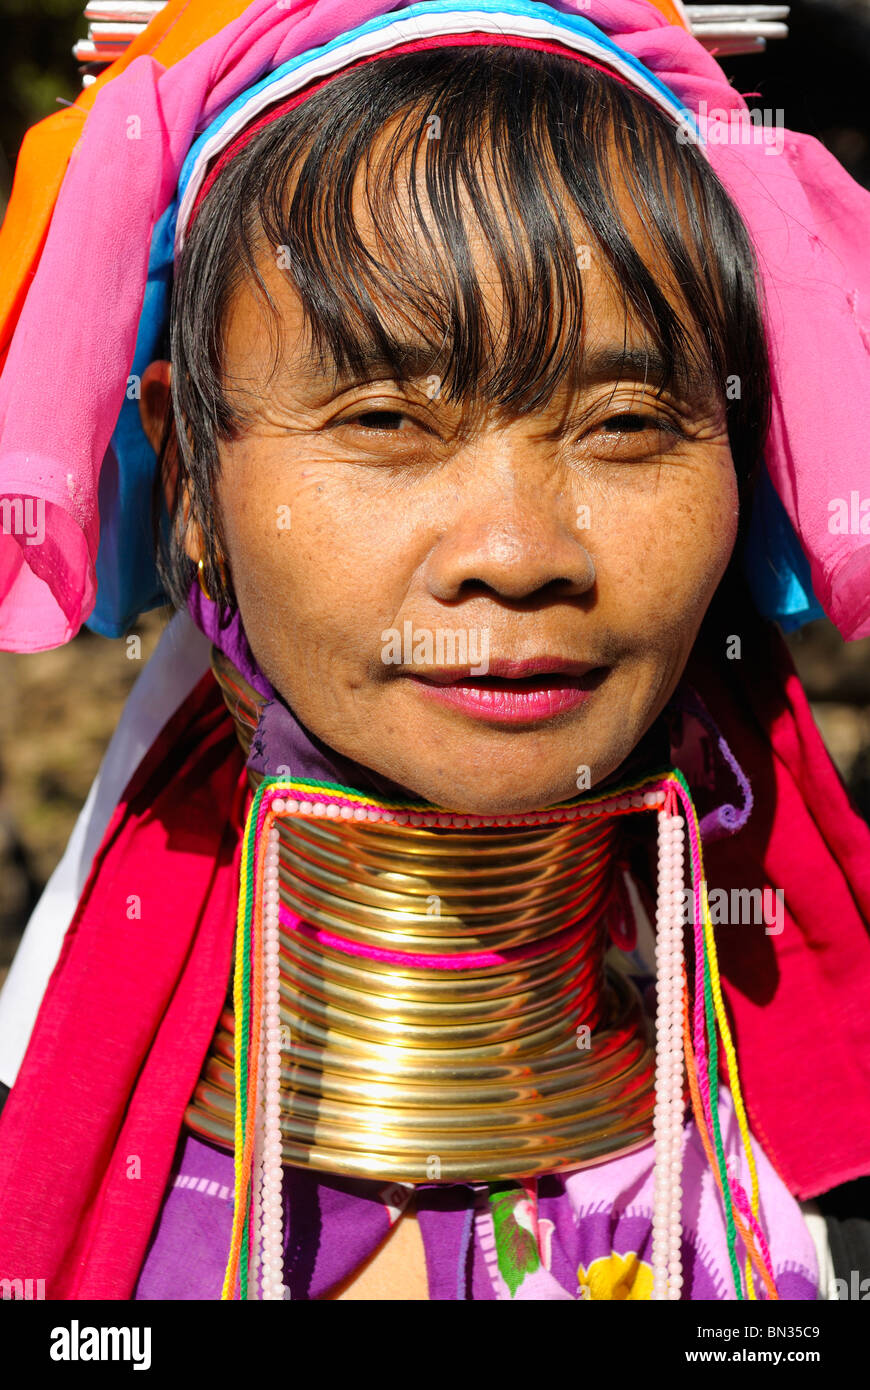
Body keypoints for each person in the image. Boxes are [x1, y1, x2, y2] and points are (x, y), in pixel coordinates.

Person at [0, 0, 869, 1302]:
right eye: (388, 414)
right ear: (188, 469)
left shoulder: (796, 1224)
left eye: (627, 421)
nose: (518, 552)